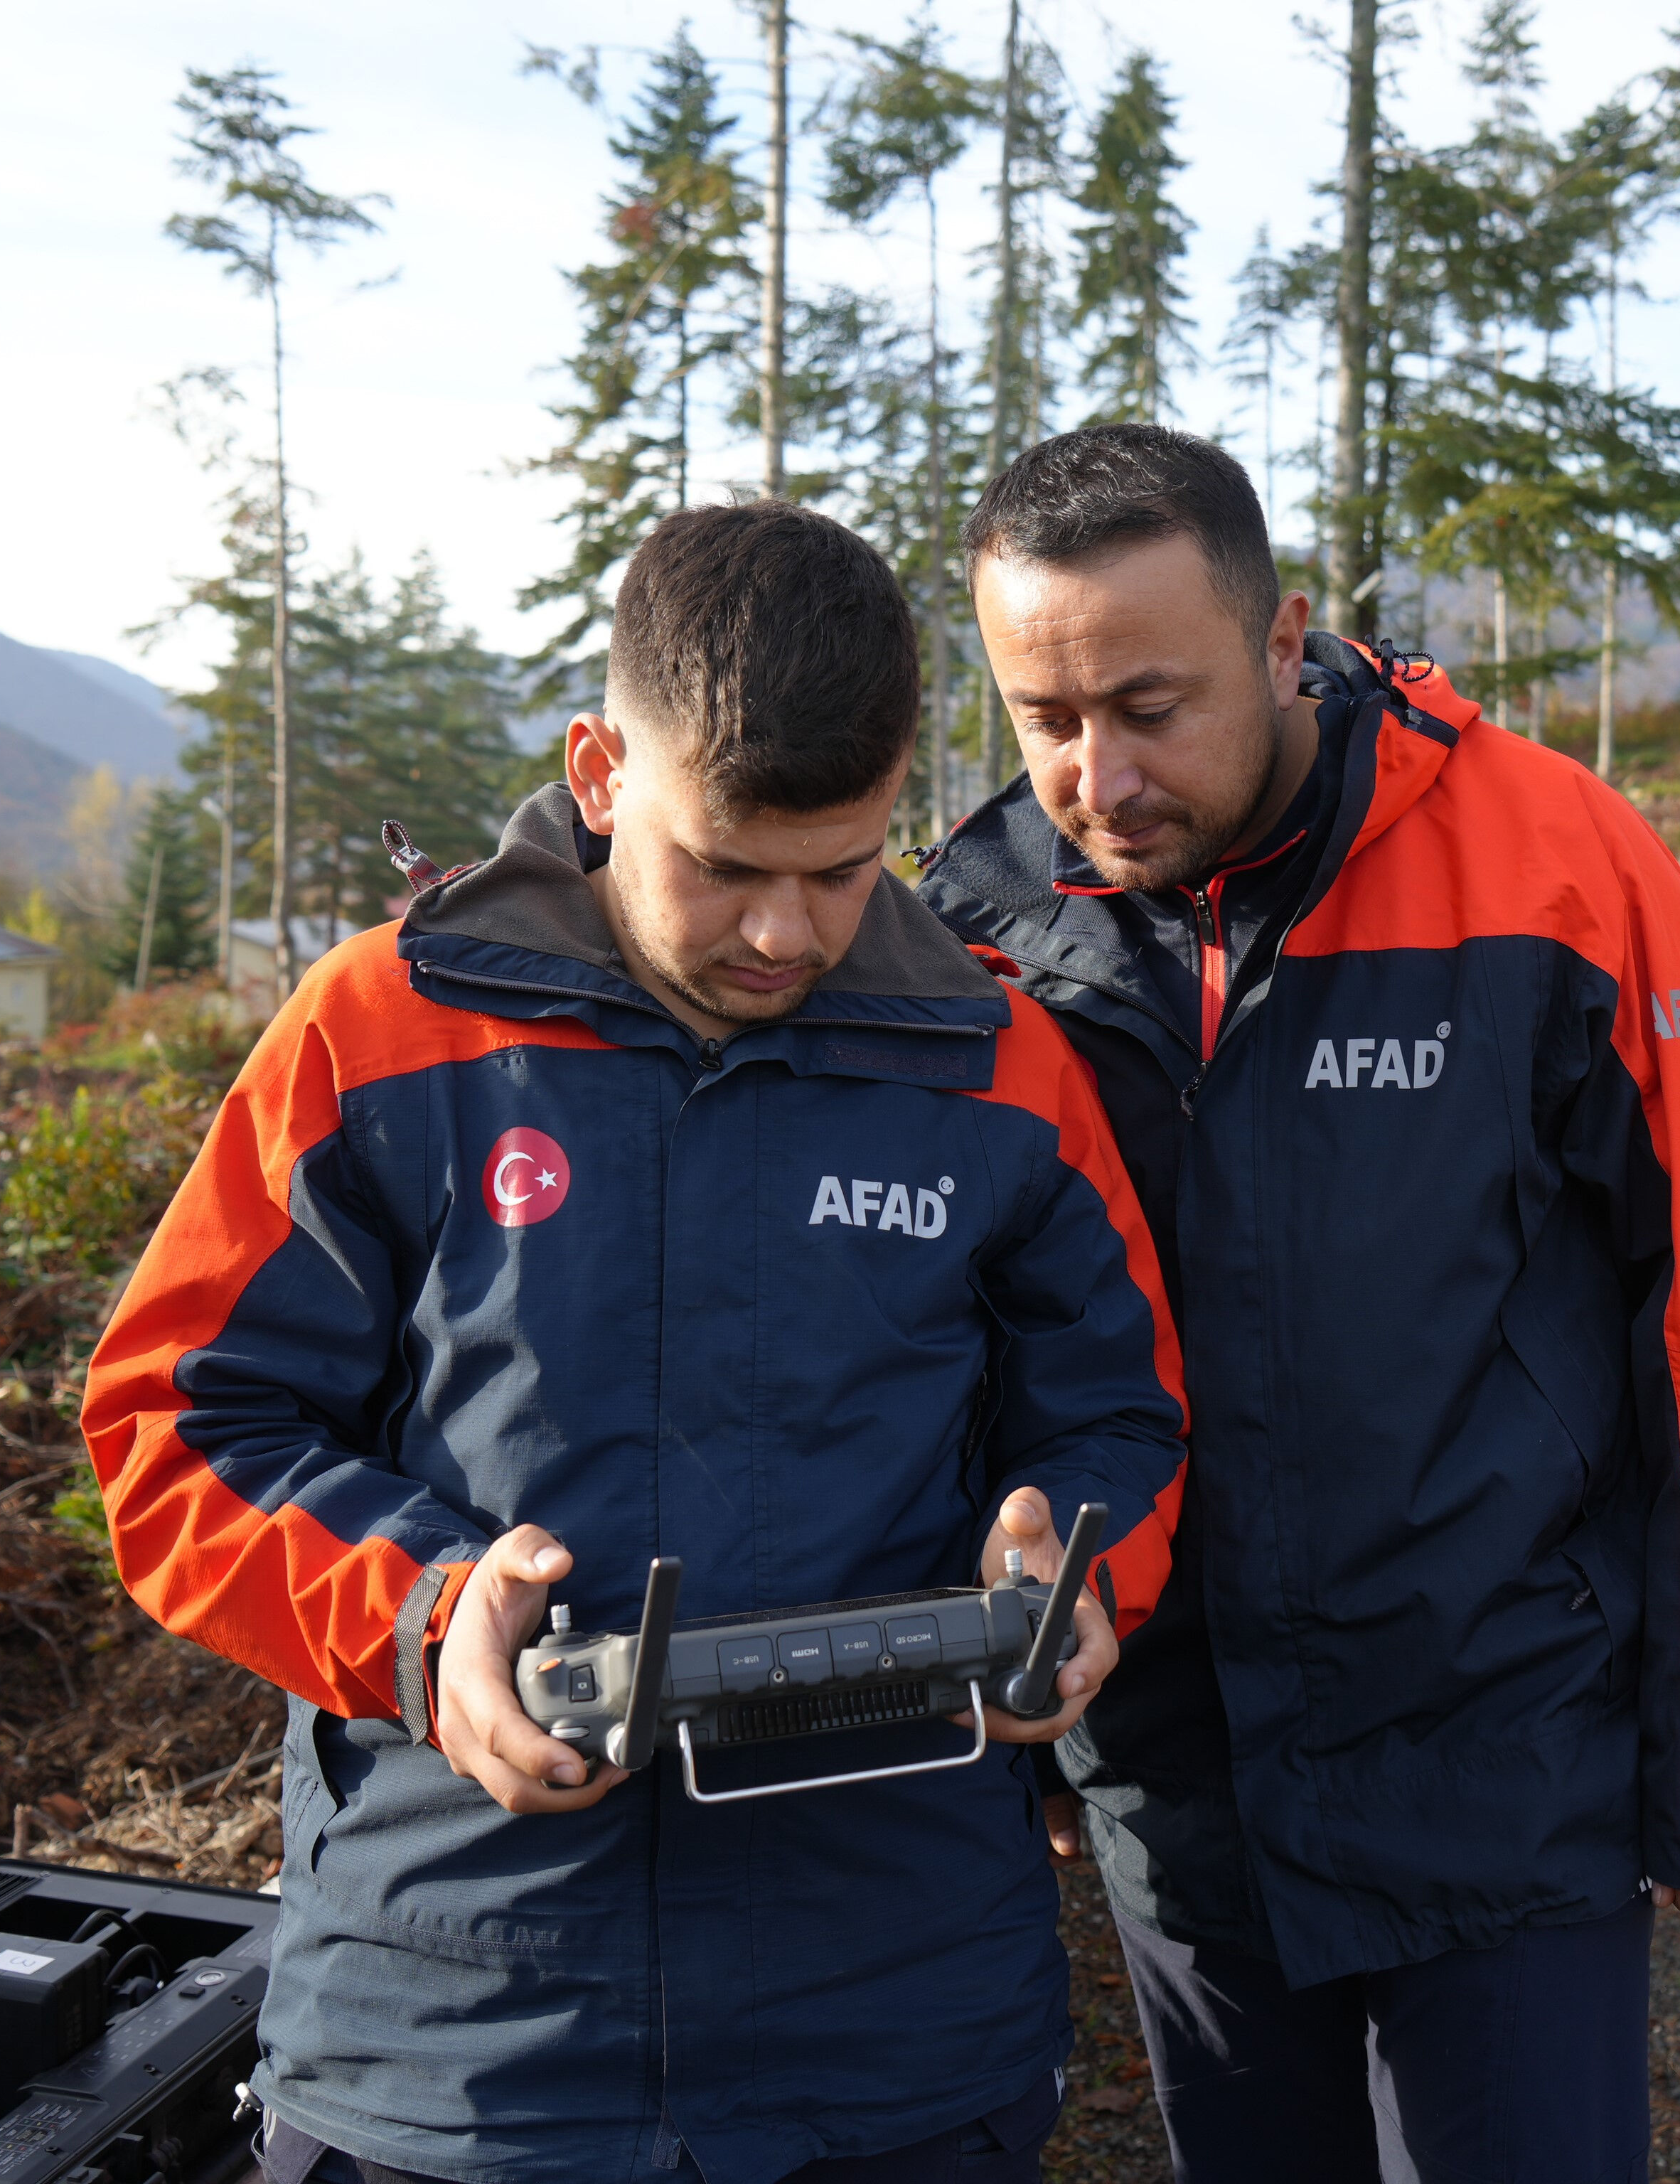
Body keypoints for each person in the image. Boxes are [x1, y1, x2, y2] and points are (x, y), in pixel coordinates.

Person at [82, 502, 1189, 2184]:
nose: (784, 935)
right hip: (456, 2035)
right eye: (726, 867)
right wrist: (421, 1618)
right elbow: (177, 1427)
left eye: (840, 869)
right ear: (601, 774)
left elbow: (1120, 1419)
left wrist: (1082, 1567)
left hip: (895, 2024)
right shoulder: (380, 1033)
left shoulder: (997, 1068)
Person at [917, 426, 1680, 2184]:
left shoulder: (1552, 865)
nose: (1096, 776)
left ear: (1284, 645)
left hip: (1503, 1763)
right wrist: (1007, 1734)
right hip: (1176, 1788)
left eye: (1147, 702)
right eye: (1042, 718)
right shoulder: (979, 937)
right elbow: (952, 1351)